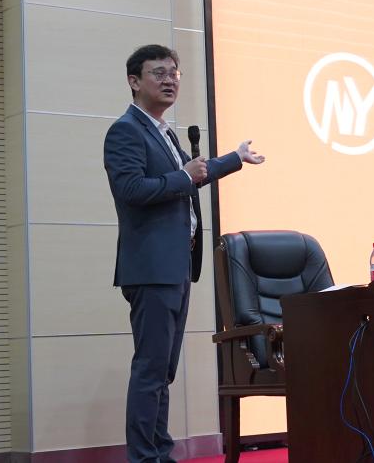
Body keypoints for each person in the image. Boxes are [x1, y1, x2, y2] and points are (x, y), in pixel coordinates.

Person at [103, 44, 264, 463]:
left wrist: (234, 159)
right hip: (151, 267)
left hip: (175, 265)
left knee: (164, 371)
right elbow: (131, 190)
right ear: (134, 81)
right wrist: (183, 176)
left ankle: (159, 452)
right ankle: (145, 457)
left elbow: (192, 176)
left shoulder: (164, 131)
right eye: (158, 73)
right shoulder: (126, 131)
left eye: (174, 73)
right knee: (151, 369)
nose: (170, 80)